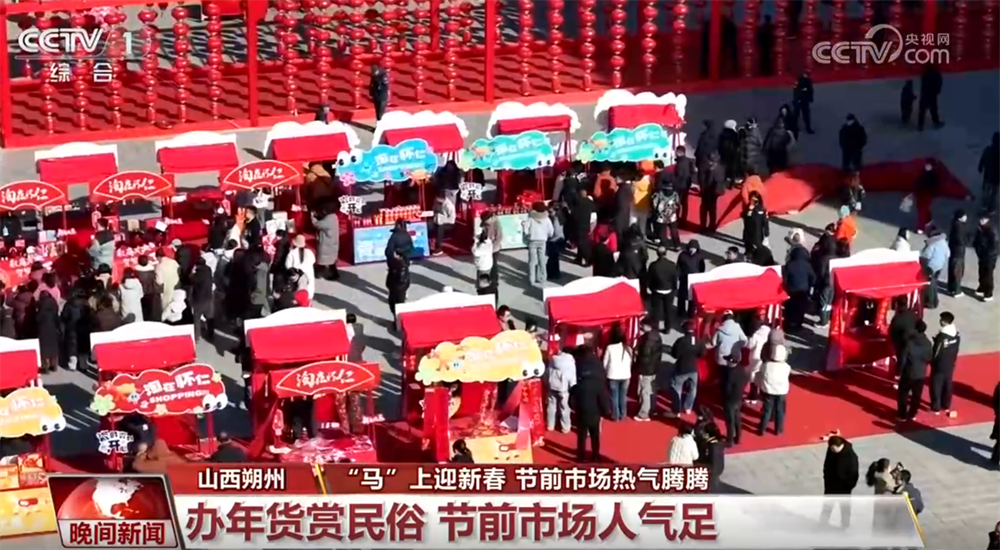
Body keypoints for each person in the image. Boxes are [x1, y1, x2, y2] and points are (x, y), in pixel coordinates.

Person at [571, 343, 610, 462]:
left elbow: (571, 400)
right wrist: (605, 411)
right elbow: (603, 398)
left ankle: (581, 456)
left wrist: (575, 407)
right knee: (595, 435)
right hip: (595, 412)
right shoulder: (598, 377)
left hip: (581, 411)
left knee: (581, 436)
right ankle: (595, 455)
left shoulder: (578, 382)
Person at [897, 319, 933, 421]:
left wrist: (899, 372)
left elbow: (903, 359)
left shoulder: (909, 343)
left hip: (908, 373)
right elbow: (929, 358)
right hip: (921, 373)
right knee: (916, 395)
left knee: (903, 394)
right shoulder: (928, 343)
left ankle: (902, 414)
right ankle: (913, 413)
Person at [821, 435, 860, 527]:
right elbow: (826, 466)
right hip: (830, 486)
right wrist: (826, 480)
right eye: (831, 449)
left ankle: (845, 526)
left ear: (840, 446)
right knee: (827, 507)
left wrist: (849, 486)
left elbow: (854, 474)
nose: (832, 450)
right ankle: (822, 524)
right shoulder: (831, 450)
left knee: (844, 509)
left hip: (844, 488)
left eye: (834, 449)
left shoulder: (851, 456)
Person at [669, 321, 705, 417]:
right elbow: (703, 353)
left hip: (682, 368)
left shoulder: (680, 341)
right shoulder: (698, 340)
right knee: (693, 389)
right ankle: (688, 407)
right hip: (693, 368)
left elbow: (675, 354)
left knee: (677, 388)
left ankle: (677, 409)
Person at [929, 311, 960, 414]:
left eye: (941, 320)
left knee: (936, 385)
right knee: (947, 384)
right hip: (950, 363)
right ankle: (946, 405)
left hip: (939, 365)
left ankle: (936, 407)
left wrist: (932, 362)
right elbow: (956, 349)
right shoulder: (956, 334)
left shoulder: (941, 337)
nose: (940, 321)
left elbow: (936, 352)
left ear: (945, 322)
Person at [757, 340, 790, 436]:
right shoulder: (786, 367)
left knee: (767, 410)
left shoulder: (766, 365)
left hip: (769, 390)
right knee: (779, 410)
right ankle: (778, 430)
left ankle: (762, 429)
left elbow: (761, 373)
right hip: (781, 391)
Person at [633, 318, 662, 421]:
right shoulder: (657, 337)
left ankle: (644, 413)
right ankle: (652, 409)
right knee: (650, 390)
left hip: (646, 369)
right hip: (654, 368)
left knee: (644, 391)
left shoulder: (646, 340)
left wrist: (639, 370)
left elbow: (644, 357)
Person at [602, 324, 632, 422]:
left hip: (613, 375)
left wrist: (606, 371)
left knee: (614, 396)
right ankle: (623, 414)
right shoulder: (628, 348)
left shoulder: (610, 348)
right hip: (626, 375)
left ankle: (615, 415)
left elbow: (605, 363)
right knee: (623, 396)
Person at [783, 246, 815, 332]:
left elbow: (784, 279)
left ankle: (788, 325)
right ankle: (798, 325)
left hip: (791, 291)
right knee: (800, 308)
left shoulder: (789, 264)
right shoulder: (808, 266)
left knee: (789, 308)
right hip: (803, 291)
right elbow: (813, 279)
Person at [523, 201, 555, 286]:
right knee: (542, 259)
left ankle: (531, 278)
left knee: (532, 261)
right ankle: (542, 277)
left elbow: (525, 229)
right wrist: (548, 235)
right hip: (542, 241)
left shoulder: (531, 218)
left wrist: (528, 235)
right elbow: (551, 231)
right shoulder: (547, 219)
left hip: (533, 240)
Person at [546, 346, 577, 433]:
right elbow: (572, 377)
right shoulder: (570, 362)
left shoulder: (553, 359)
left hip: (552, 385)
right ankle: (565, 427)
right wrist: (573, 387)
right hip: (564, 388)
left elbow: (547, 372)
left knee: (551, 406)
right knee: (564, 408)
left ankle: (550, 425)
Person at [647, 246, 675, 331]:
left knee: (656, 310)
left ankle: (655, 327)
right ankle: (667, 328)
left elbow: (650, 278)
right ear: (666, 253)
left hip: (657, 290)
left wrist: (651, 288)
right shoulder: (672, 265)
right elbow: (674, 278)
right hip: (668, 289)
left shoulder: (653, 265)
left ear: (657, 254)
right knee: (668, 310)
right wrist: (673, 288)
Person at [920, 226, 949, 309]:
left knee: (929, 284)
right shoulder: (943, 242)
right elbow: (948, 254)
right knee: (934, 283)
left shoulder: (932, 243)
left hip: (931, 266)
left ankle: (930, 302)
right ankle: (935, 301)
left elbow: (926, 255)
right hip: (940, 266)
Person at [676, 240, 706, 319]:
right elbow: (678, 266)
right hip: (684, 278)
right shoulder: (682, 255)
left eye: (694, 248)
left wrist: (700, 278)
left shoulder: (699, 257)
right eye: (691, 248)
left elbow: (702, 268)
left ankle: (691, 313)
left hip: (694, 280)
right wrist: (678, 275)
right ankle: (680, 311)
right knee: (681, 296)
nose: (692, 250)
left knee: (692, 298)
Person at [312, 204, 340, 281]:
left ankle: (319, 273)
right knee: (331, 261)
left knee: (323, 260)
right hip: (332, 242)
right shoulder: (334, 217)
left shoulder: (327, 220)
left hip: (326, 243)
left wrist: (313, 217)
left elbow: (316, 224)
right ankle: (334, 274)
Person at [700, 152, 727, 232]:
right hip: (716, 192)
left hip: (709, 192)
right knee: (713, 209)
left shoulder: (711, 170)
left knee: (704, 209)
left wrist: (703, 189)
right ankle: (712, 225)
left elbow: (708, 182)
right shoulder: (721, 168)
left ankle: (703, 226)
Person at [974, 213, 998, 302]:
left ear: (988, 220)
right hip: (982, 256)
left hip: (989, 257)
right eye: (980, 219)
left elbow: (994, 246)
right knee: (981, 273)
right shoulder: (980, 228)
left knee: (988, 275)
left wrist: (986, 255)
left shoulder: (991, 230)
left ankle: (988, 293)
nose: (981, 220)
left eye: (983, 219)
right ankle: (981, 288)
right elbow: (977, 241)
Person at [35, 290, 60, 373]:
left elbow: (37, 319)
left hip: (43, 329)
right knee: (53, 348)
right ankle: (54, 365)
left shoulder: (42, 307)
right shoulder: (53, 304)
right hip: (53, 329)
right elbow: (57, 319)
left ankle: (45, 366)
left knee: (44, 349)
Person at [651, 180, 681, 249]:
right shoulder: (675, 194)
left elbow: (654, 204)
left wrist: (658, 211)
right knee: (674, 231)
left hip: (661, 216)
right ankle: (677, 245)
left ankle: (664, 245)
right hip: (672, 216)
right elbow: (678, 204)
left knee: (662, 232)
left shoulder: (659, 194)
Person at [189, 258, 214, 341]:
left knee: (196, 318)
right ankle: (211, 334)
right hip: (209, 296)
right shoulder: (208, 270)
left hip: (199, 298)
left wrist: (192, 272)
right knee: (209, 316)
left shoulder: (198, 274)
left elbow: (191, 279)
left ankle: (197, 336)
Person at [947, 210, 970, 297]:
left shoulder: (954, 224)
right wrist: (967, 240)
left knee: (952, 269)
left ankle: (951, 288)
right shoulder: (959, 227)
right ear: (960, 218)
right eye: (964, 216)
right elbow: (961, 240)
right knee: (958, 271)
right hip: (958, 251)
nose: (966, 217)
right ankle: (957, 290)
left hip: (953, 250)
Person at [913, 159, 941, 233]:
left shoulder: (933, 175)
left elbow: (935, 187)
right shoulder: (923, 172)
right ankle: (929, 221)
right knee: (922, 209)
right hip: (920, 193)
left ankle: (921, 228)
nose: (926, 166)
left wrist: (932, 194)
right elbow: (918, 182)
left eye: (928, 165)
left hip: (927, 194)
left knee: (922, 210)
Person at [285, 235, 316, 300]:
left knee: (297, 293)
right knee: (308, 290)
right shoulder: (309, 252)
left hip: (297, 276)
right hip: (308, 275)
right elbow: (313, 261)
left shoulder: (292, 253)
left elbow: (288, 265)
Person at [386, 248, 410, 324]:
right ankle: (397, 321)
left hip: (398, 290)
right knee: (392, 304)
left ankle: (399, 323)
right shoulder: (396, 263)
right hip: (394, 288)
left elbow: (402, 281)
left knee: (397, 306)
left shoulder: (401, 266)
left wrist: (394, 287)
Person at [741, 191, 769, 256]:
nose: (752, 201)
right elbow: (744, 218)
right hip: (748, 233)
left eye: (754, 200)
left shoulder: (761, 209)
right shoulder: (748, 208)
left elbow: (765, 222)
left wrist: (766, 233)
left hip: (757, 234)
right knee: (748, 251)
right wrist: (749, 211)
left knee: (757, 251)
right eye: (751, 199)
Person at [917, 63, 943, 131]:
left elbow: (923, 82)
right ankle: (935, 122)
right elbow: (939, 82)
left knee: (922, 110)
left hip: (925, 94)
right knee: (933, 109)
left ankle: (920, 126)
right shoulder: (935, 74)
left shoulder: (924, 74)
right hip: (932, 94)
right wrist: (937, 90)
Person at [673, 146, 695, 223]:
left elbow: (679, 175)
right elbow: (693, 171)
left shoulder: (680, 164)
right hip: (687, 185)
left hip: (680, 186)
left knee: (677, 203)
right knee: (685, 203)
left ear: (680, 153)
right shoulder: (689, 161)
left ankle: (677, 218)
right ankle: (683, 218)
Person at [431, 189, 456, 256]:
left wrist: (442, 220)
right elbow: (434, 210)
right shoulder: (436, 202)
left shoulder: (449, 206)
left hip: (448, 223)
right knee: (429, 225)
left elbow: (452, 219)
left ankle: (438, 247)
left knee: (440, 227)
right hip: (437, 219)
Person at [979, 132, 1000, 213]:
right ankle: (990, 207)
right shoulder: (990, 150)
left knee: (987, 191)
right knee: (992, 193)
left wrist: (980, 167)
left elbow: (983, 159)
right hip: (995, 176)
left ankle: (985, 206)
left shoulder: (988, 149)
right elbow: (983, 159)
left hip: (989, 175)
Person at [482, 211, 504, 283]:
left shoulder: (496, 224)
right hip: (487, 247)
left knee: (493, 264)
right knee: (486, 264)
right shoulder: (485, 224)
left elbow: (499, 237)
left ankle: (494, 279)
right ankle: (487, 278)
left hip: (494, 249)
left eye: (486, 220)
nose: (485, 222)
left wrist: (492, 247)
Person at [546, 203, 566, 281]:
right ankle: (556, 273)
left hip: (554, 240)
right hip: (560, 239)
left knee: (552, 257)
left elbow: (556, 231)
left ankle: (551, 273)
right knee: (555, 257)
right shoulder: (561, 216)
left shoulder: (555, 218)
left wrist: (550, 237)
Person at [719, 120, 741, 185]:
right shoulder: (734, 134)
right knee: (732, 167)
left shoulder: (722, 134)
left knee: (724, 167)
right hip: (732, 153)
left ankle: (724, 179)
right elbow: (737, 143)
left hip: (723, 153)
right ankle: (732, 181)